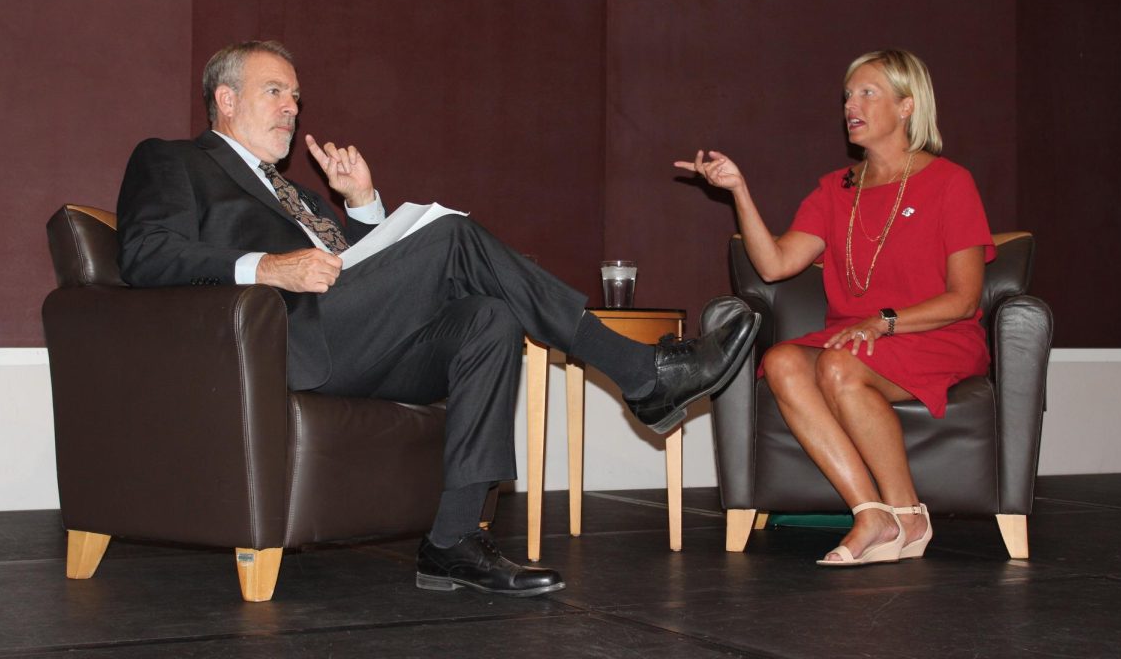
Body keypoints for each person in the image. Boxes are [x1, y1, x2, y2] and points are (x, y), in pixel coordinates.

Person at [117, 40, 757, 596]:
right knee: (452, 235)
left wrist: (364, 206)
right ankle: (641, 372)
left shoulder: (303, 195)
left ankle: (453, 542)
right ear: (225, 100)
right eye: (275, 91)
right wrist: (267, 266)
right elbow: (145, 254)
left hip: (348, 337)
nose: (293, 107)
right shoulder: (173, 160)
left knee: (490, 319)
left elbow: (358, 264)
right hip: (282, 341)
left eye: (296, 96)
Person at [674, 49, 994, 566]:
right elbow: (776, 264)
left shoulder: (950, 183)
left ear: (907, 106)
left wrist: (885, 322)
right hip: (858, 337)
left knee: (841, 366)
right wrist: (738, 191)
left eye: (868, 92)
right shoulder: (835, 189)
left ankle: (910, 514)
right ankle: (870, 513)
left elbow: (963, 299)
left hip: (936, 333)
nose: (852, 104)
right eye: (848, 94)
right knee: (779, 360)